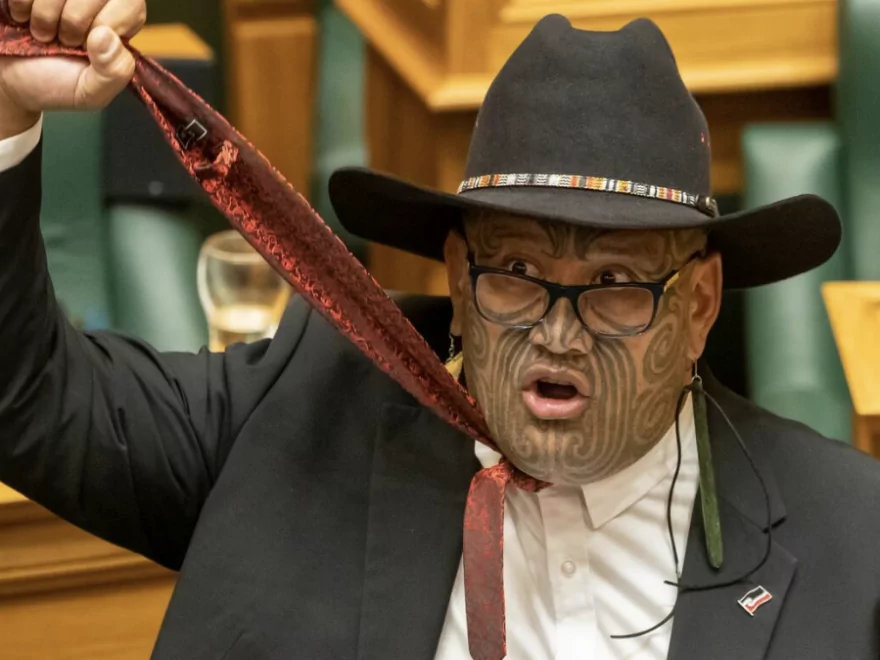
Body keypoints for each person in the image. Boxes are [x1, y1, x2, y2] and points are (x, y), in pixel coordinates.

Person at [0, 1, 878, 658]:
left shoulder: (853, 541)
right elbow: (26, 395)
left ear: (698, 305)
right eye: (519, 274)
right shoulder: (299, 415)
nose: (559, 335)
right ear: (459, 280)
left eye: (614, 285)